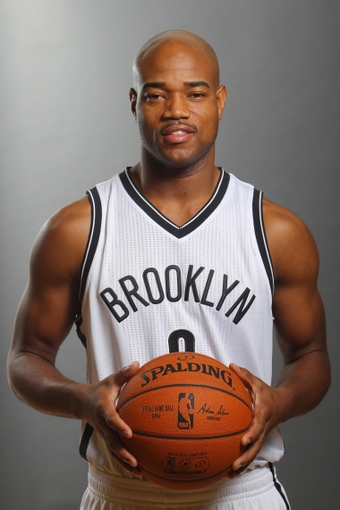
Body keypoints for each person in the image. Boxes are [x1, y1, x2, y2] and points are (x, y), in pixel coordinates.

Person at [7, 29, 330, 509]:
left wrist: (277, 403)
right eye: (156, 94)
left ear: (220, 101)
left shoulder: (275, 230)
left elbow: (312, 355)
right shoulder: (77, 229)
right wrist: (83, 400)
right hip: (121, 492)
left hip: (242, 494)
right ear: (134, 102)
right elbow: (24, 358)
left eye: (195, 93)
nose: (176, 109)